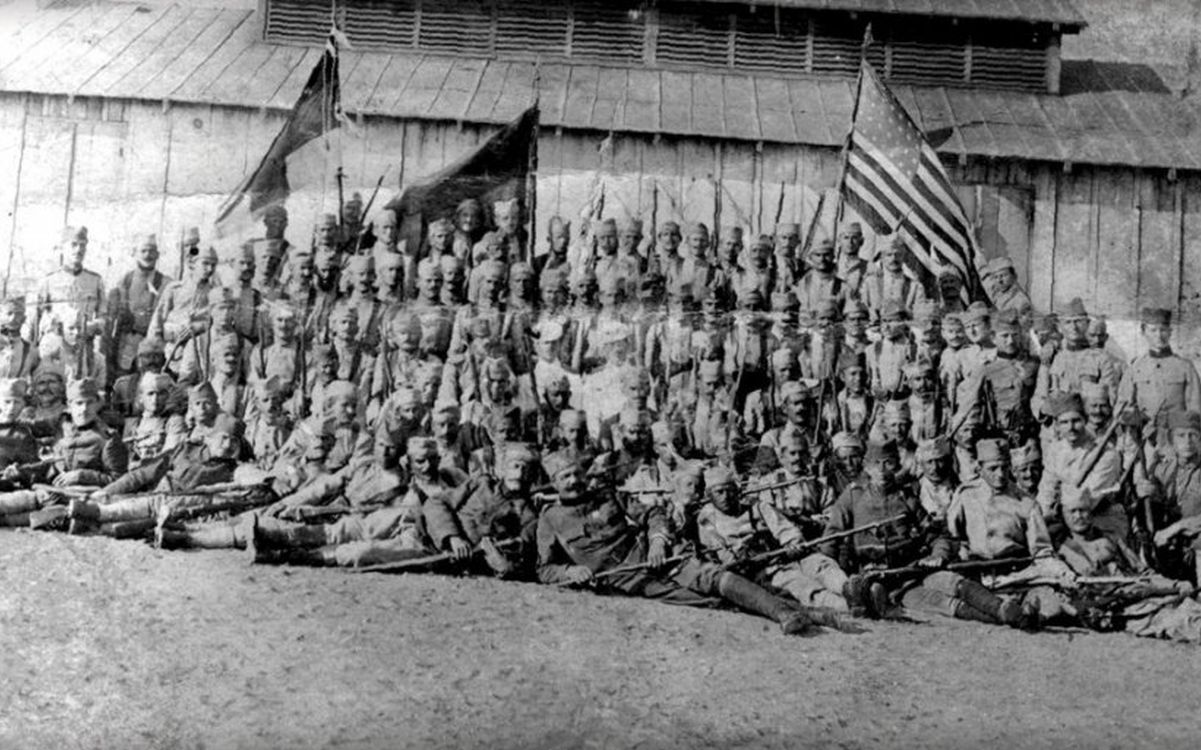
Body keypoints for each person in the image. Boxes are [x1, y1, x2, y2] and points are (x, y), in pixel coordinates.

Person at [536, 451, 824, 636]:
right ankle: (800, 610)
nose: (573, 481)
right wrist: (570, 572)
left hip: (658, 555)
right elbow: (545, 569)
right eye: (565, 477)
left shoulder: (607, 495)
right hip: (626, 581)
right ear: (554, 483)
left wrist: (658, 541)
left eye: (576, 474)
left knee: (710, 576)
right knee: (709, 602)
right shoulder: (550, 519)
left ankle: (785, 612)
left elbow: (653, 513)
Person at [1117, 308, 1201, 436]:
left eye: (1163, 330)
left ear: (1170, 332)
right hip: (1144, 437)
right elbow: (1121, 408)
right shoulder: (1135, 368)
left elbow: (1195, 411)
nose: (1159, 335)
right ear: (1144, 332)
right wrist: (1133, 418)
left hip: (1177, 437)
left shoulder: (1185, 367)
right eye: (1153, 330)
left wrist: (1172, 423)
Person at [107, 233, 167, 381]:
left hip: (153, 348)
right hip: (127, 347)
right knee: (124, 383)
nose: (147, 255)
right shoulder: (124, 281)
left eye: (151, 251)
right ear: (134, 253)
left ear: (158, 254)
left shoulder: (166, 283)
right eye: (143, 251)